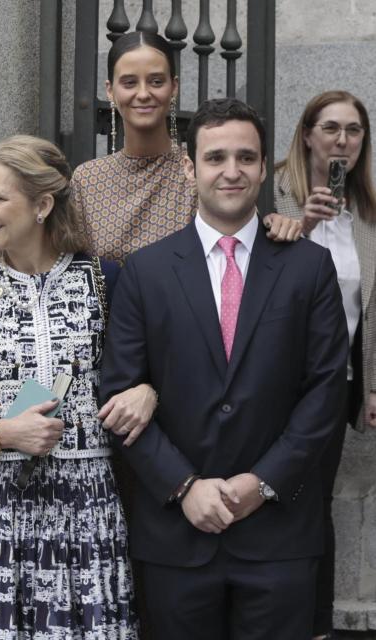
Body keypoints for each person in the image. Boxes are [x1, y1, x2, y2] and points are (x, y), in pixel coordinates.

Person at [99, 98, 349, 639]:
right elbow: (117, 392)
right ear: (191, 167)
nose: (231, 171)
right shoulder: (146, 271)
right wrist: (184, 486)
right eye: (215, 158)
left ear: (264, 167)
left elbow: (326, 389)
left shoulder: (309, 266)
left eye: (245, 157)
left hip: (279, 534)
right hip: (176, 533)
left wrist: (262, 483)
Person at [0, 135, 141, 639]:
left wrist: (150, 392)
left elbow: (137, 380)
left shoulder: (104, 280)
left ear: (42, 205)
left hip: (83, 512)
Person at [274, 89, 376, 639]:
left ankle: (315, 625)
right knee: (271, 497)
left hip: (333, 385)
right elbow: (255, 282)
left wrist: (373, 384)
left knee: (315, 502)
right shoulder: (273, 197)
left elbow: (372, 311)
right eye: (331, 128)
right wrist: (303, 225)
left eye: (354, 130)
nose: (342, 139)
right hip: (270, 382)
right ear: (308, 134)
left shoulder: (368, 217)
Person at [72, 31, 300, 265]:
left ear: (174, 87)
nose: (143, 94)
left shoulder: (199, 170)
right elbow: (71, 267)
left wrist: (274, 225)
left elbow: (240, 237)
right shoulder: (87, 179)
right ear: (110, 91)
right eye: (129, 82)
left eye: (156, 81)